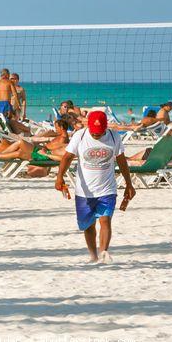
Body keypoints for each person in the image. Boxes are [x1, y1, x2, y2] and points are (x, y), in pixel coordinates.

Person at [55, 110, 136, 264]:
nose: (97, 135)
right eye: (94, 132)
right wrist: (59, 177)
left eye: (100, 132)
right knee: (88, 225)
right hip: (84, 191)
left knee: (105, 220)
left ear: (106, 127)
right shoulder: (80, 136)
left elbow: (121, 161)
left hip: (107, 189)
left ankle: (103, 253)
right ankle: (93, 255)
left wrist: (129, 184)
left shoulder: (113, 136)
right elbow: (67, 157)